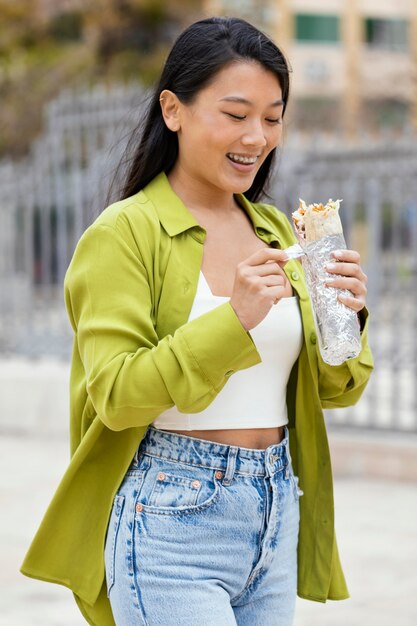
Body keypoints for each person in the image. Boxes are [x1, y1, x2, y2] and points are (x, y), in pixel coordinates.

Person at [21, 16, 373, 626]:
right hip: (171, 517)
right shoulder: (123, 234)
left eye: (272, 116)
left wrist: (350, 318)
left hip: (274, 510)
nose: (257, 136)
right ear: (173, 110)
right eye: (235, 115)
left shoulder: (279, 232)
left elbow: (338, 387)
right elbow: (116, 395)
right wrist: (233, 322)